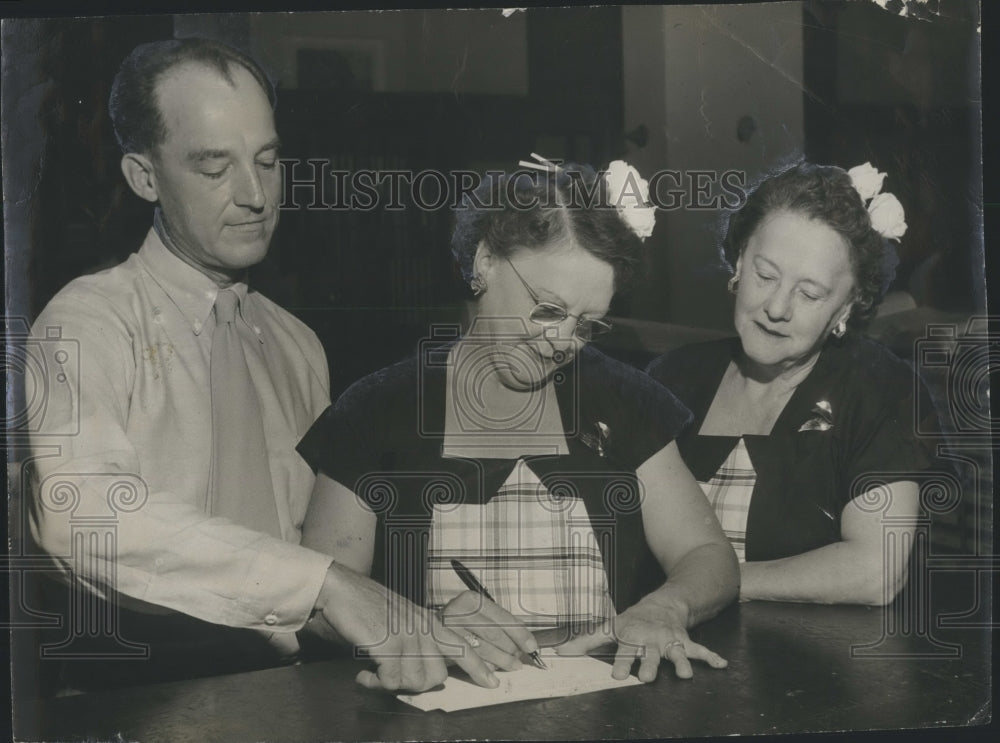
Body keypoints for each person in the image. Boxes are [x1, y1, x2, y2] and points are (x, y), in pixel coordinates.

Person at [27, 37, 494, 694]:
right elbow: (80, 517)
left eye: (268, 161)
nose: (255, 195)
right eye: (215, 167)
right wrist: (323, 586)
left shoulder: (297, 343)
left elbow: (328, 549)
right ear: (144, 176)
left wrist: (435, 611)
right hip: (139, 695)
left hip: (292, 693)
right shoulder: (87, 322)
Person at [297, 161, 740, 684]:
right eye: (548, 310)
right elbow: (317, 600)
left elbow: (706, 552)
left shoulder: (624, 399)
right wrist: (421, 628)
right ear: (485, 261)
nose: (560, 342)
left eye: (586, 325)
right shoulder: (375, 411)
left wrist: (667, 608)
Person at [646, 161, 938, 606]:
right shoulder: (673, 377)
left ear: (847, 306)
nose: (777, 307)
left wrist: (701, 587)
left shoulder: (878, 387)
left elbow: (877, 570)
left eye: (810, 293)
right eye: (765, 275)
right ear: (740, 261)